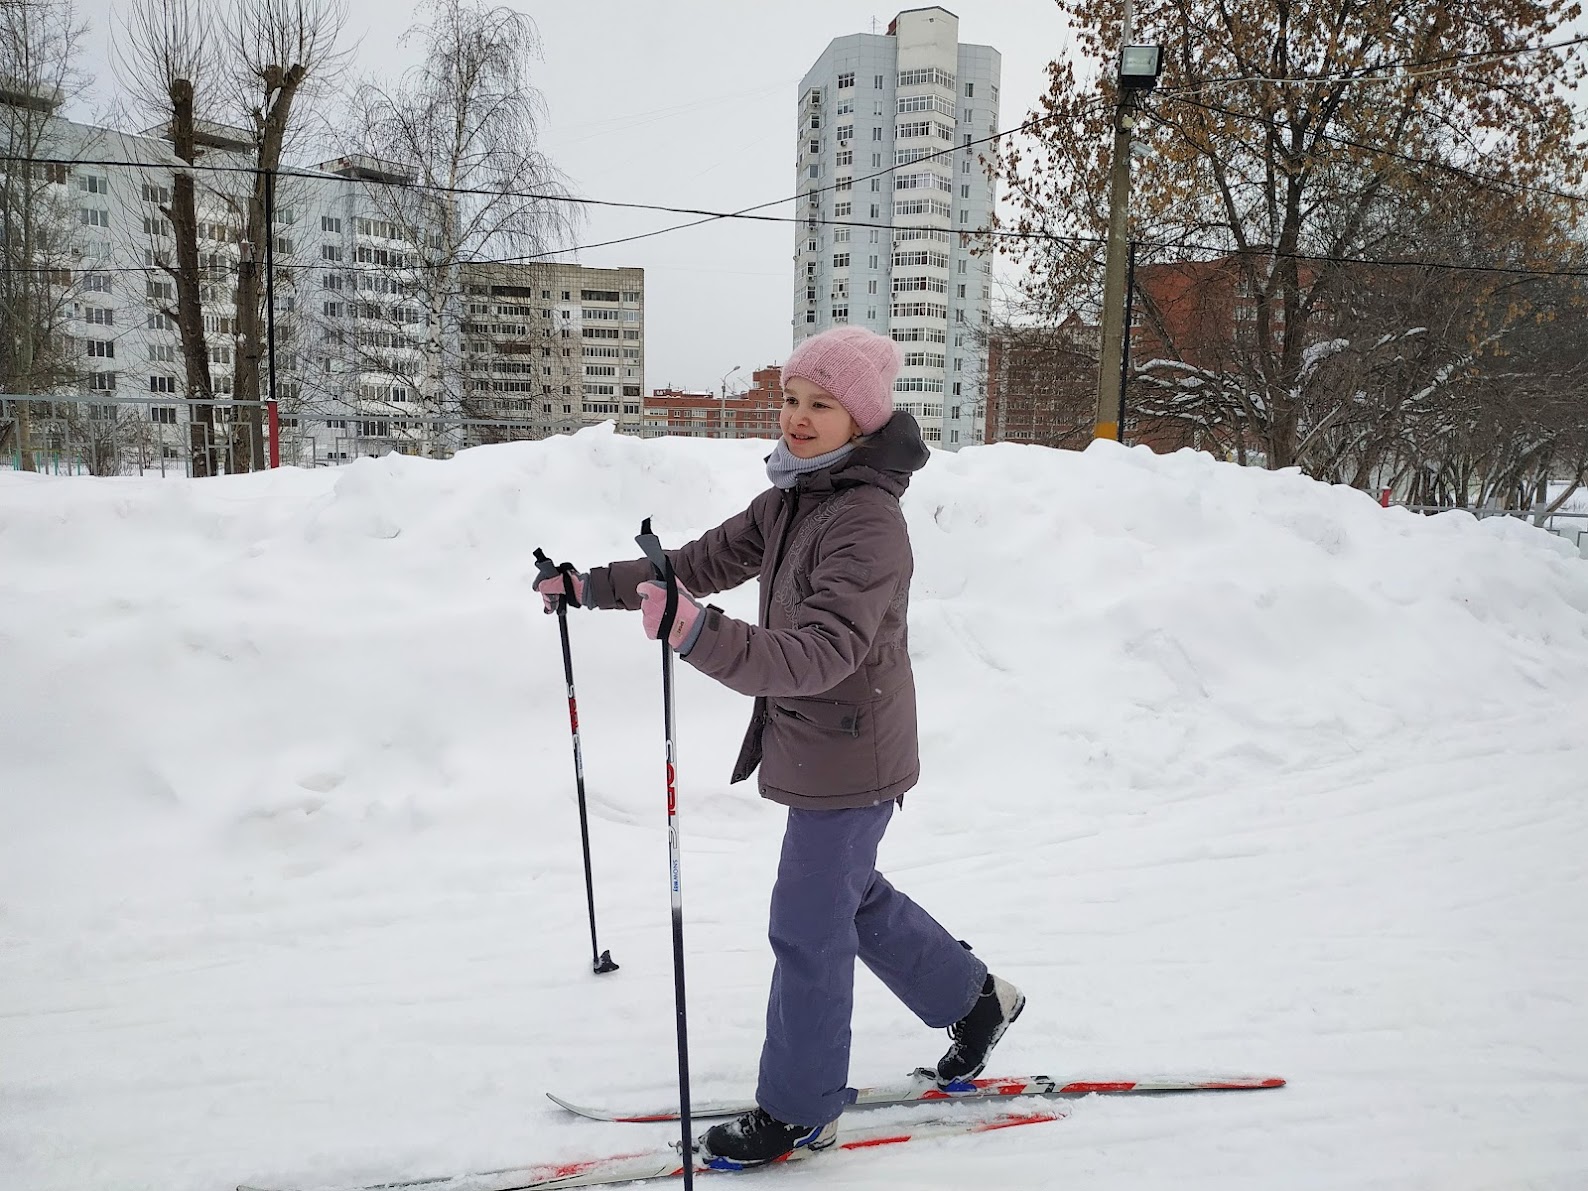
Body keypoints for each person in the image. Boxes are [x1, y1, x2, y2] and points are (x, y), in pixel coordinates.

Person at [536, 325, 1024, 1170]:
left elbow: (819, 653)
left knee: (806, 923)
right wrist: (592, 586)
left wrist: (696, 634)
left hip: (853, 752)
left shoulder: (867, 524)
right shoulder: (793, 499)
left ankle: (801, 1109)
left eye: (820, 404)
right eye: (792, 400)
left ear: (861, 421)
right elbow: (693, 561)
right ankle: (976, 1001)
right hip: (819, 744)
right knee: (848, 897)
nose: (797, 419)